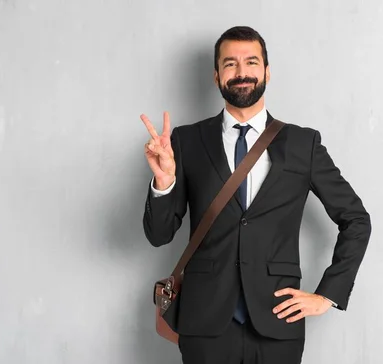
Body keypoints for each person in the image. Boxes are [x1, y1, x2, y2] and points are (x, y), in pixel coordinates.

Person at [140, 25, 371, 364]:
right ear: (217, 75)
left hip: (278, 322)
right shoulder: (185, 142)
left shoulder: (302, 144)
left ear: (266, 71)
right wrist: (164, 183)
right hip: (204, 325)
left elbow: (356, 220)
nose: (241, 72)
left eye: (251, 61)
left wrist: (327, 295)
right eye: (230, 64)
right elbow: (159, 236)